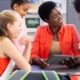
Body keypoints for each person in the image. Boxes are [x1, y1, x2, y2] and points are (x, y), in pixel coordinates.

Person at [30, 1, 80, 80]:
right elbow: (33, 54)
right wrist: (39, 61)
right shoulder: (40, 30)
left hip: (68, 72)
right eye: (55, 16)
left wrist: (75, 61)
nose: (60, 17)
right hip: (47, 72)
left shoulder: (71, 29)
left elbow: (78, 53)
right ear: (46, 20)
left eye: (59, 13)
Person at [0, 10, 31, 76]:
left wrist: (28, 44)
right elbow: (26, 68)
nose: (21, 29)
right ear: (9, 26)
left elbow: (21, 66)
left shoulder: (4, 40)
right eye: (19, 25)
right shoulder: (4, 41)